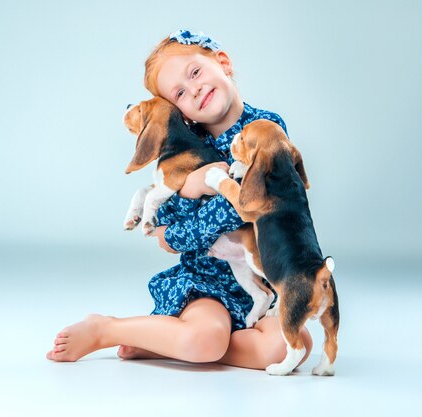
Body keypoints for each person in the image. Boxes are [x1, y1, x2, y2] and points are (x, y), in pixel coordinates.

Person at [46, 30, 313, 370]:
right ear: (180, 112)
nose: (195, 89)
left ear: (223, 62)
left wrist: (175, 231)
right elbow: (166, 211)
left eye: (196, 73)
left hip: (263, 282)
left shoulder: (265, 128)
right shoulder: (185, 144)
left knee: (293, 347)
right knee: (204, 338)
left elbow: (243, 206)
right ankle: (107, 329)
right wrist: (190, 187)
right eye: (180, 93)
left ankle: (165, 341)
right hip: (206, 283)